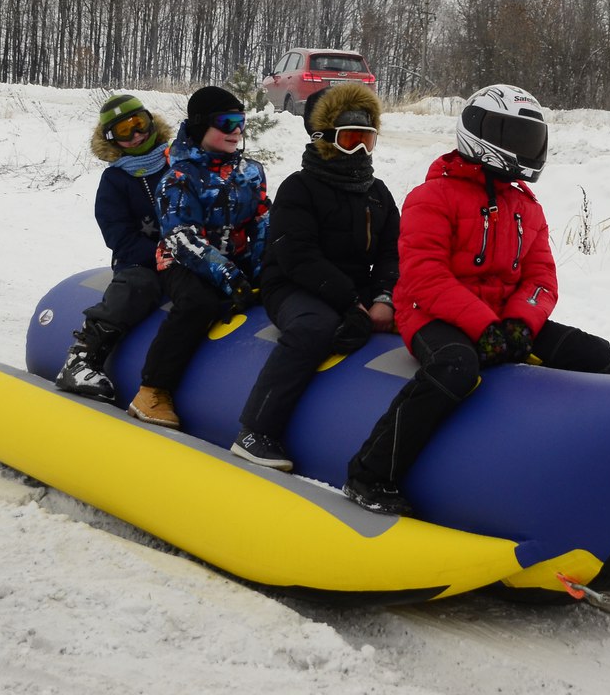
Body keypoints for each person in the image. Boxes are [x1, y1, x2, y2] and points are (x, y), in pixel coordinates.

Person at [344, 84, 610, 515]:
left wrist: (517, 324)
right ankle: (370, 472)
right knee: (456, 366)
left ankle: (604, 469)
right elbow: (424, 276)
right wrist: (484, 327)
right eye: (514, 136)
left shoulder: (526, 206)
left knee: (596, 356)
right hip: (431, 314)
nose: (525, 149)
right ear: (479, 133)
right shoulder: (431, 197)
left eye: (530, 138)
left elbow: (541, 278)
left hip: (503, 319)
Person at [231, 83, 400, 471]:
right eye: (349, 140)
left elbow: (394, 251)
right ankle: (255, 429)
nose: (359, 150)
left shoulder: (378, 194)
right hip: (293, 285)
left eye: (367, 140)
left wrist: (383, 297)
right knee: (315, 327)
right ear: (326, 140)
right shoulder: (300, 187)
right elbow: (296, 255)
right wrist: (349, 302)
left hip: (353, 290)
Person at [127, 86, 270, 429]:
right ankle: (152, 389)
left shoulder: (250, 173)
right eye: (226, 122)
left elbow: (263, 219)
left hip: (234, 258)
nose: (236, 131)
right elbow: (181, 236)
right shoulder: (179, 177)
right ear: (201, 126)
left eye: (241, 122)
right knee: (198, 302)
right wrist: (229, 275)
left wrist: (266, 268)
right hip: (183, 259)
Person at [55, 94, 174, 401]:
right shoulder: (115, 180)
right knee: (138, 285)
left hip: (192, 256)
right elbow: (119, 237)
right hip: (141, 262)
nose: (137, 135)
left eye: (139, 124)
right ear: (112, 139)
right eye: (125, 131)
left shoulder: (178, 160)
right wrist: (161, 254)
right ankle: (82, 358)